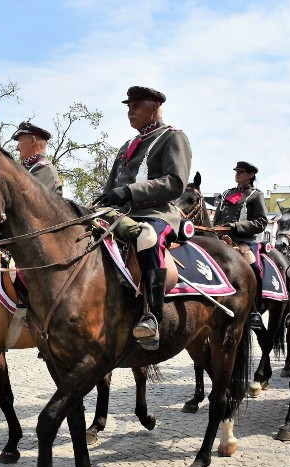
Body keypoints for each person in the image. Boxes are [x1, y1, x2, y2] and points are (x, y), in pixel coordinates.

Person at [100, 86, 191, 350]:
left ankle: (152, 316)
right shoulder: (127, 146)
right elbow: (111, 189)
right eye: (128, 106)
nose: (130, 111)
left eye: (136, 106)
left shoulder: (173, 137)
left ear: (154, 107)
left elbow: (175, 183)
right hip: (120, 214)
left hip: (156, 213)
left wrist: (128, 192)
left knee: (147, 237)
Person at [213, 161, 269, 330]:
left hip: (244, 241)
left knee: (254, 268)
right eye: (236, 171)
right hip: (222, 240)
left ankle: (255, 311)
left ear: (251, 174)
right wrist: (217, 230)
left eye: (242, 172)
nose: (237, 174)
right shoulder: (226, 194)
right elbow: (217, 218)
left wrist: (237, 226)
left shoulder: (255, 195)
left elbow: (261, 222)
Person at [11, 121, 63, 194]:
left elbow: (26, 200)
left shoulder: (44, 168)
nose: (17, 148)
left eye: (19, 142)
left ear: (32, 141)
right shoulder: (30, 167)